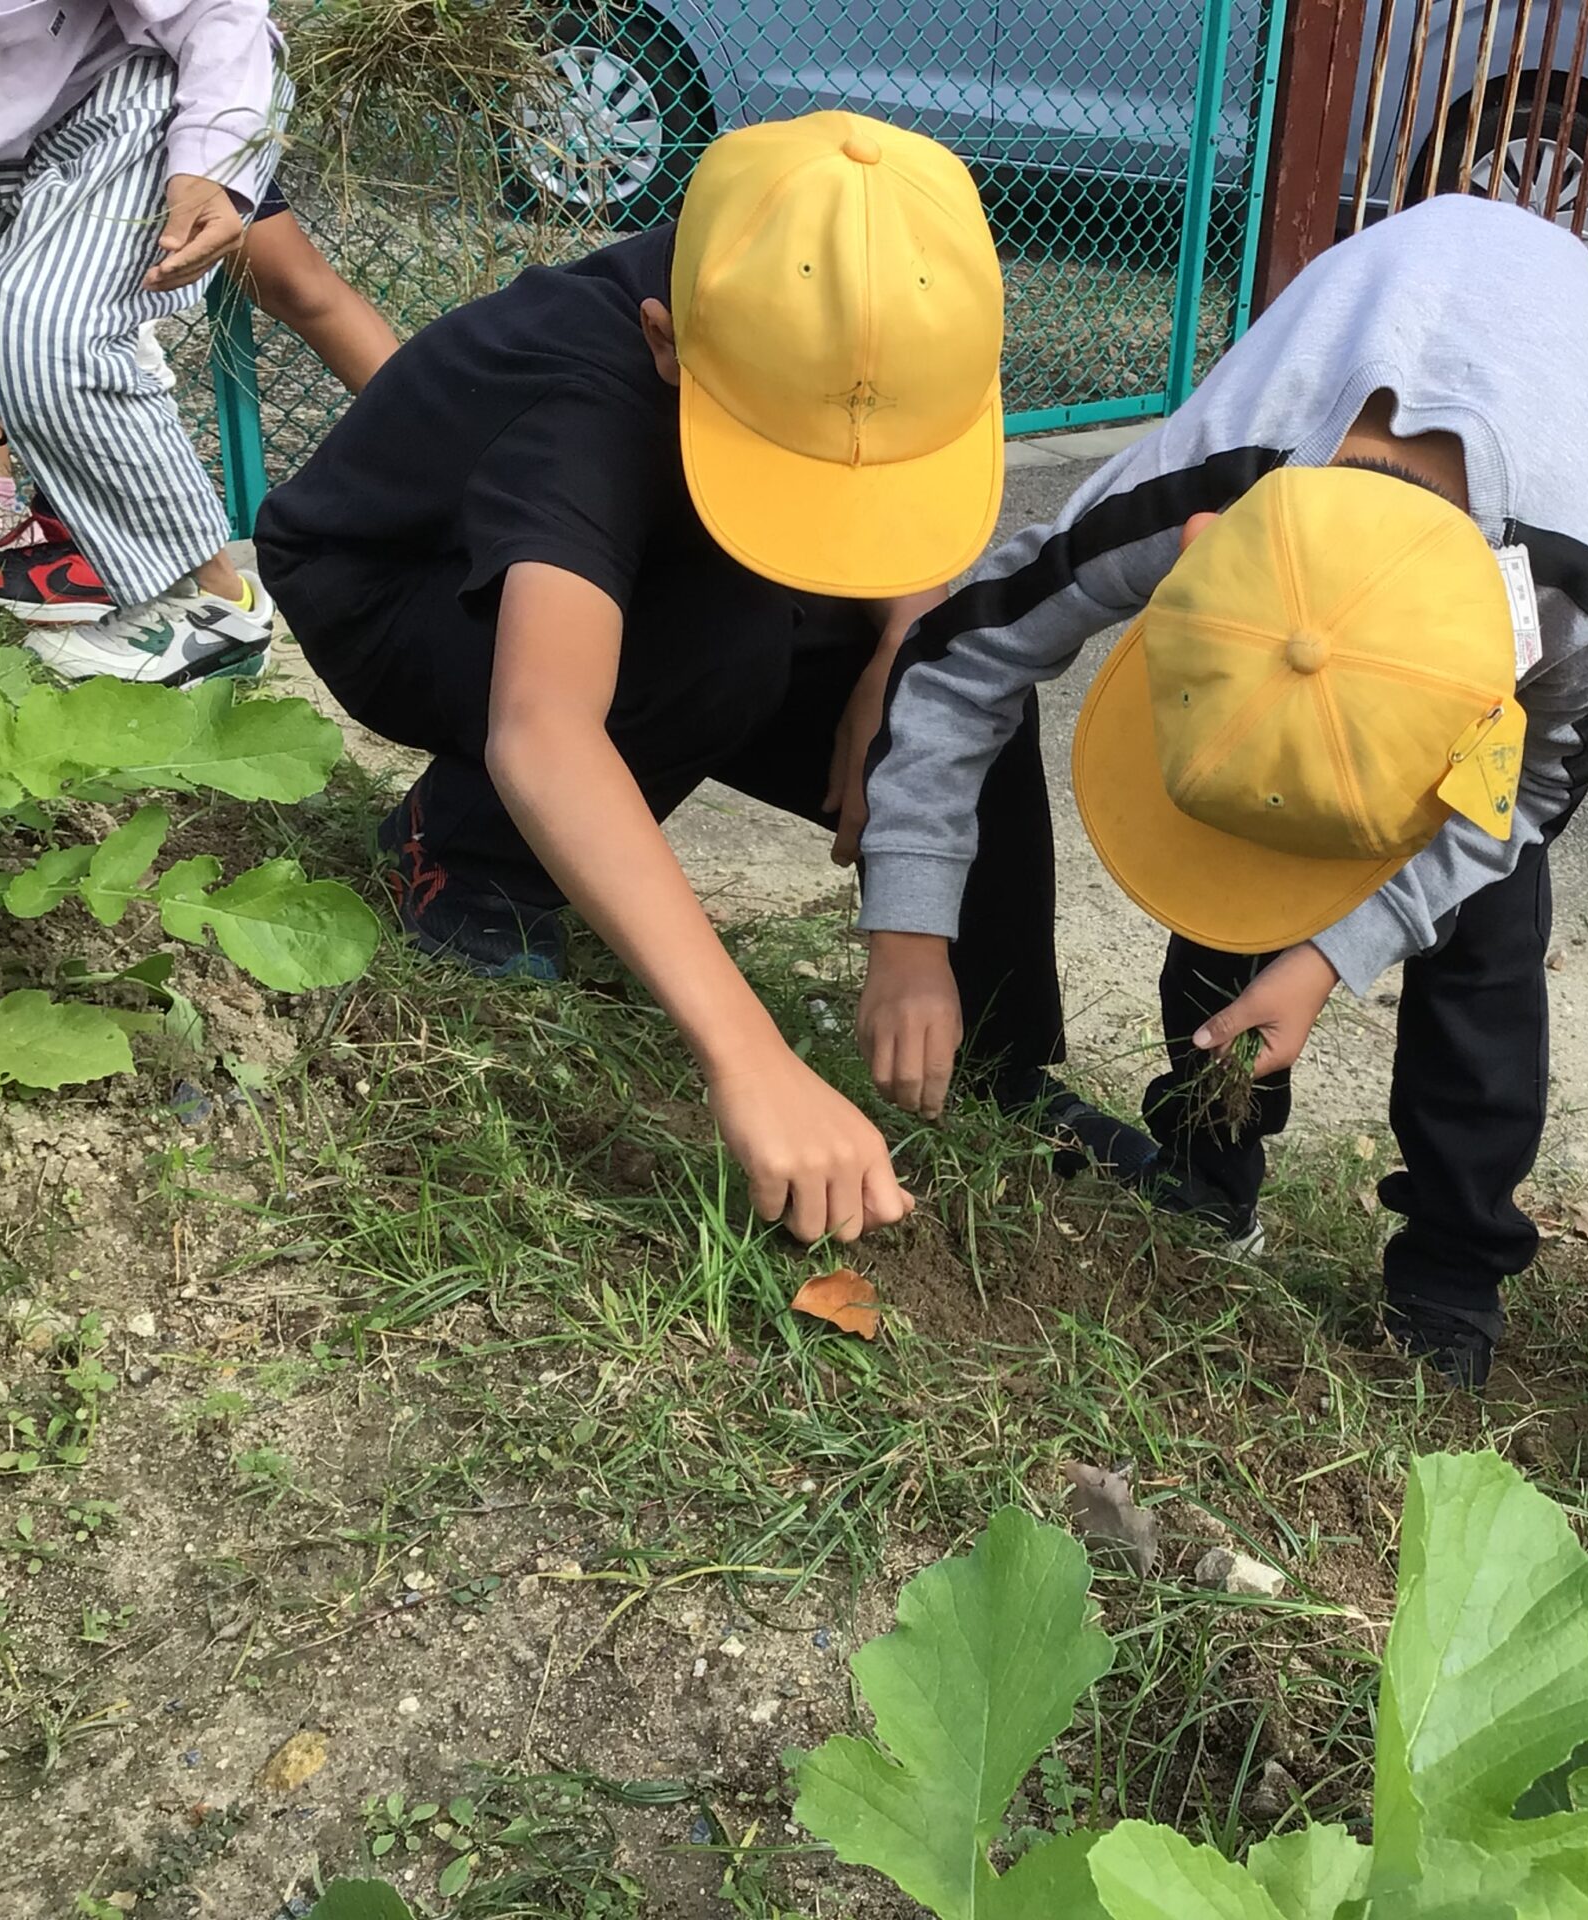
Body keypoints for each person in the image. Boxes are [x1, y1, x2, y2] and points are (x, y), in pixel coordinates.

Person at [254, 112, 1153, 1249]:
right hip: (400, 590)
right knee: (728, 635)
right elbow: (544, 723)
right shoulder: (583, 395)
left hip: (672, 565)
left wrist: (895, 661)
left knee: (960, 681)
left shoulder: (879, 303)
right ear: (666, 340)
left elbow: (905, 526)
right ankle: (462, 851)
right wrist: (750, 1057)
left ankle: (999, 1062)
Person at [853, 196, 1588, 1387]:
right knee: (1236, 828)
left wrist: (1332, 954)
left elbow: (1528, 794)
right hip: (1363, 319)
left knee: (1486, 934)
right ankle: (1207, 1178)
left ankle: (1451, 1269)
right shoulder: (1205, 483)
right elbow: (965, 650)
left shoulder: (1573, 604)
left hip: (1573, 373)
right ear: (1200, 552)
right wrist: (908, 933)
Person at [0, 8, 282, 683]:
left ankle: (216, 607)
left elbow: (216, 12)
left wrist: (212, 157)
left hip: (123, 88)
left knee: (36, 331)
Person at [0, 171, 402, 635]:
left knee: (286, 282)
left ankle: (452, 457)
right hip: (122, 126)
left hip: (147, 127)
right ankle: (63, 531)